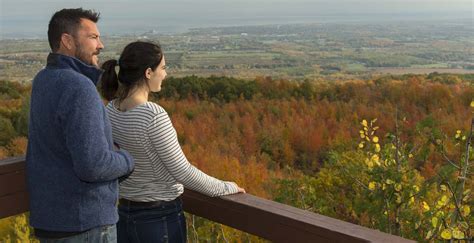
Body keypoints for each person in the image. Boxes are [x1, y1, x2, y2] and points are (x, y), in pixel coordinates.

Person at [100, 41, 245, 243]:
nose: (165, 74)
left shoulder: (111, 110)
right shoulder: (153, 115)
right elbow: (182, 171)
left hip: (124, 216)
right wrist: (224, 187)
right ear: (148, 72)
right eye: (163, 68)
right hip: (158, 220)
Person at [26, 8, 135, 242]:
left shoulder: (43, 79)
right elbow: (93, 166)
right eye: (93, 37)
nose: (101, 44)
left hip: (52, 222)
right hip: (86, 225)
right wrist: (126, 159)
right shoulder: (78, 87)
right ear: (67, 40)